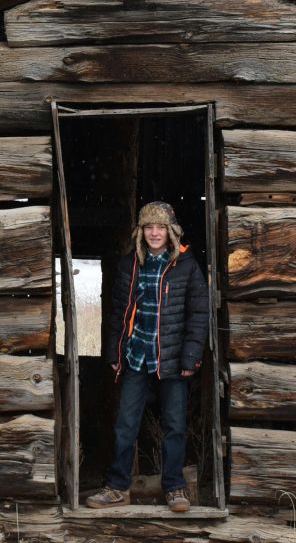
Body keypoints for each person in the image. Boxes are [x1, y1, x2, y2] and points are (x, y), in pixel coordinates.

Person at [86, 201, 209, 512]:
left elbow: (198, 315)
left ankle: (175, 488)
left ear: (171, 231)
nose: (155, 233)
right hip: (137, 356)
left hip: (172, 359)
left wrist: (191, 357)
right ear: (140, 232)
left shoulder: (187, 267)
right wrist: (115, 351)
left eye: (160, 227)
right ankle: (117, 488)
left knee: (175, 426)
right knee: (125, 424)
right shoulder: (130, 265)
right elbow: (118, 313)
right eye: (148, 227)